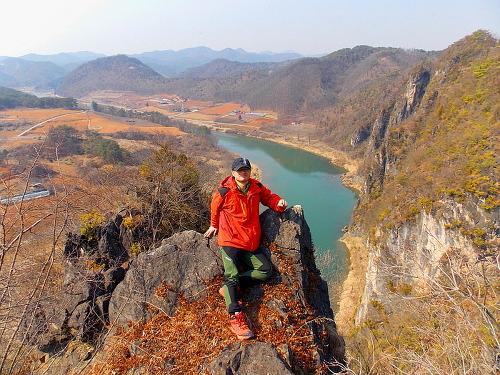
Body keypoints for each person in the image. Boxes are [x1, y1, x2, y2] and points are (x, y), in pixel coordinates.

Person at [204, 157, 288, 340]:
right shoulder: (224, 191)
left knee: (265, 271)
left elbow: (269, 198)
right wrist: (213, 225)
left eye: (246, 170)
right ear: (233, 173)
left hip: (250, 241)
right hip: (230, 241)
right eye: (239, 170)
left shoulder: (256, 188)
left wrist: (279, 203)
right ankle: (236, 317)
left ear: (250, 172)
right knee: (231, 276)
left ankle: (229, 288)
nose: (243, 173)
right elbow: (215, 209)